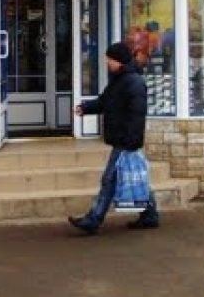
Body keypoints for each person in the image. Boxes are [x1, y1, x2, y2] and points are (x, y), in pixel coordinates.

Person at [68, 42, 159, 235]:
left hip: (126, 140)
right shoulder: (119, 80)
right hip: (122, 138)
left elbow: (137, 115)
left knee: (109, 179)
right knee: (134, 178)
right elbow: (105, 101)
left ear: (119, 60)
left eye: (110, 59)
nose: (107, 62)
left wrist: (132, 141)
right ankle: (150, 215)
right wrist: (85, 108)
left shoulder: (134, 82)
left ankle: (93, 219)